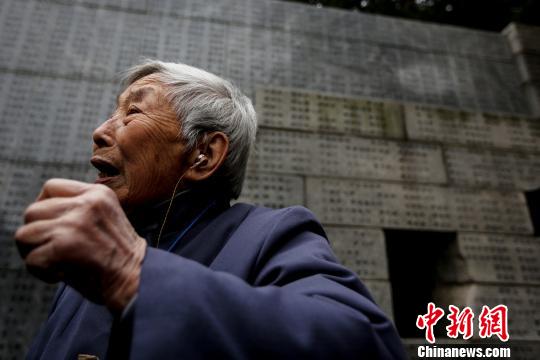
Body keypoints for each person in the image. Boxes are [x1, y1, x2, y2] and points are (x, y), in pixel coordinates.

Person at [15, 60, 406, 359]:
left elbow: (367, 342)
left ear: (204, 154)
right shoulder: (87, 262)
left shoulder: (270, 236)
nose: (100, 131)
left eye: (132, 113)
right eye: (113, 113)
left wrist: (133, 272)